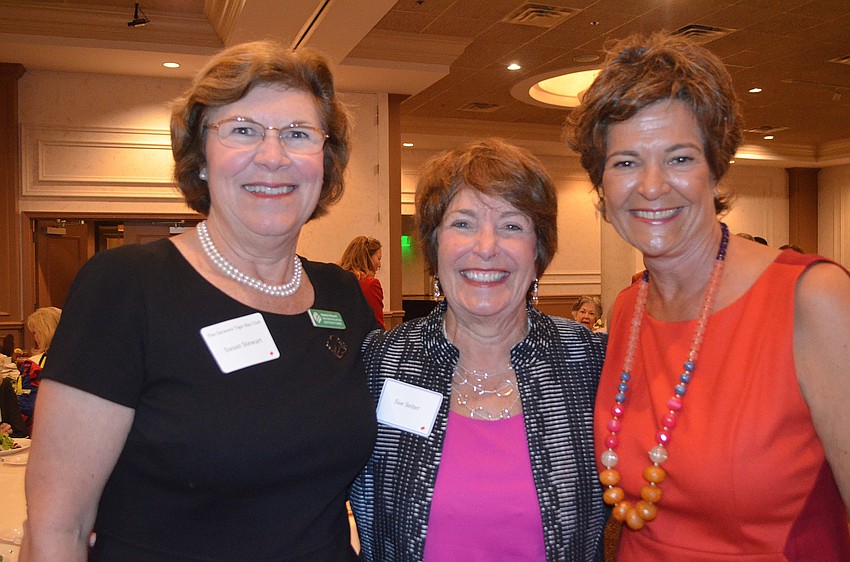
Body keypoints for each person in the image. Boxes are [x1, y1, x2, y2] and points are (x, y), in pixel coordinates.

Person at [22, 41, 378, 561]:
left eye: (298, 134)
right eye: (242, 130)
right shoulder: (125, 287)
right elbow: (59, 528)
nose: (273, 156)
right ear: (202, 159)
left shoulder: (342, 295)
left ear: (324, 162)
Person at [566, 32, 850, 559]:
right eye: (625, 162)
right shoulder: (630, 309)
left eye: (679, 158)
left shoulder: (811, 298)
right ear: (601, 184)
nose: (652, 186)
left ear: (716, 167)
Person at [350, 138, 608, 561]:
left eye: (511, 225)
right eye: (463, 223)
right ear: (434, 245)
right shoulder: (382, 362)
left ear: (538, 249)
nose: (486, 247)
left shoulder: (589, 362)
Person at [16, 306, 61, 435]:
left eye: (35, 332)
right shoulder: (75, 360)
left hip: (39, 431)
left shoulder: (33, 365)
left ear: (44, 332)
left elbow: (26, 407)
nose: (35, 337)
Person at [338, 236, 385, 329]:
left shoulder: (338, 279)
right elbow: (376, 323)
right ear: (368, 258)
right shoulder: (370, 284)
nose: (379, 264)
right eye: (378, 259)